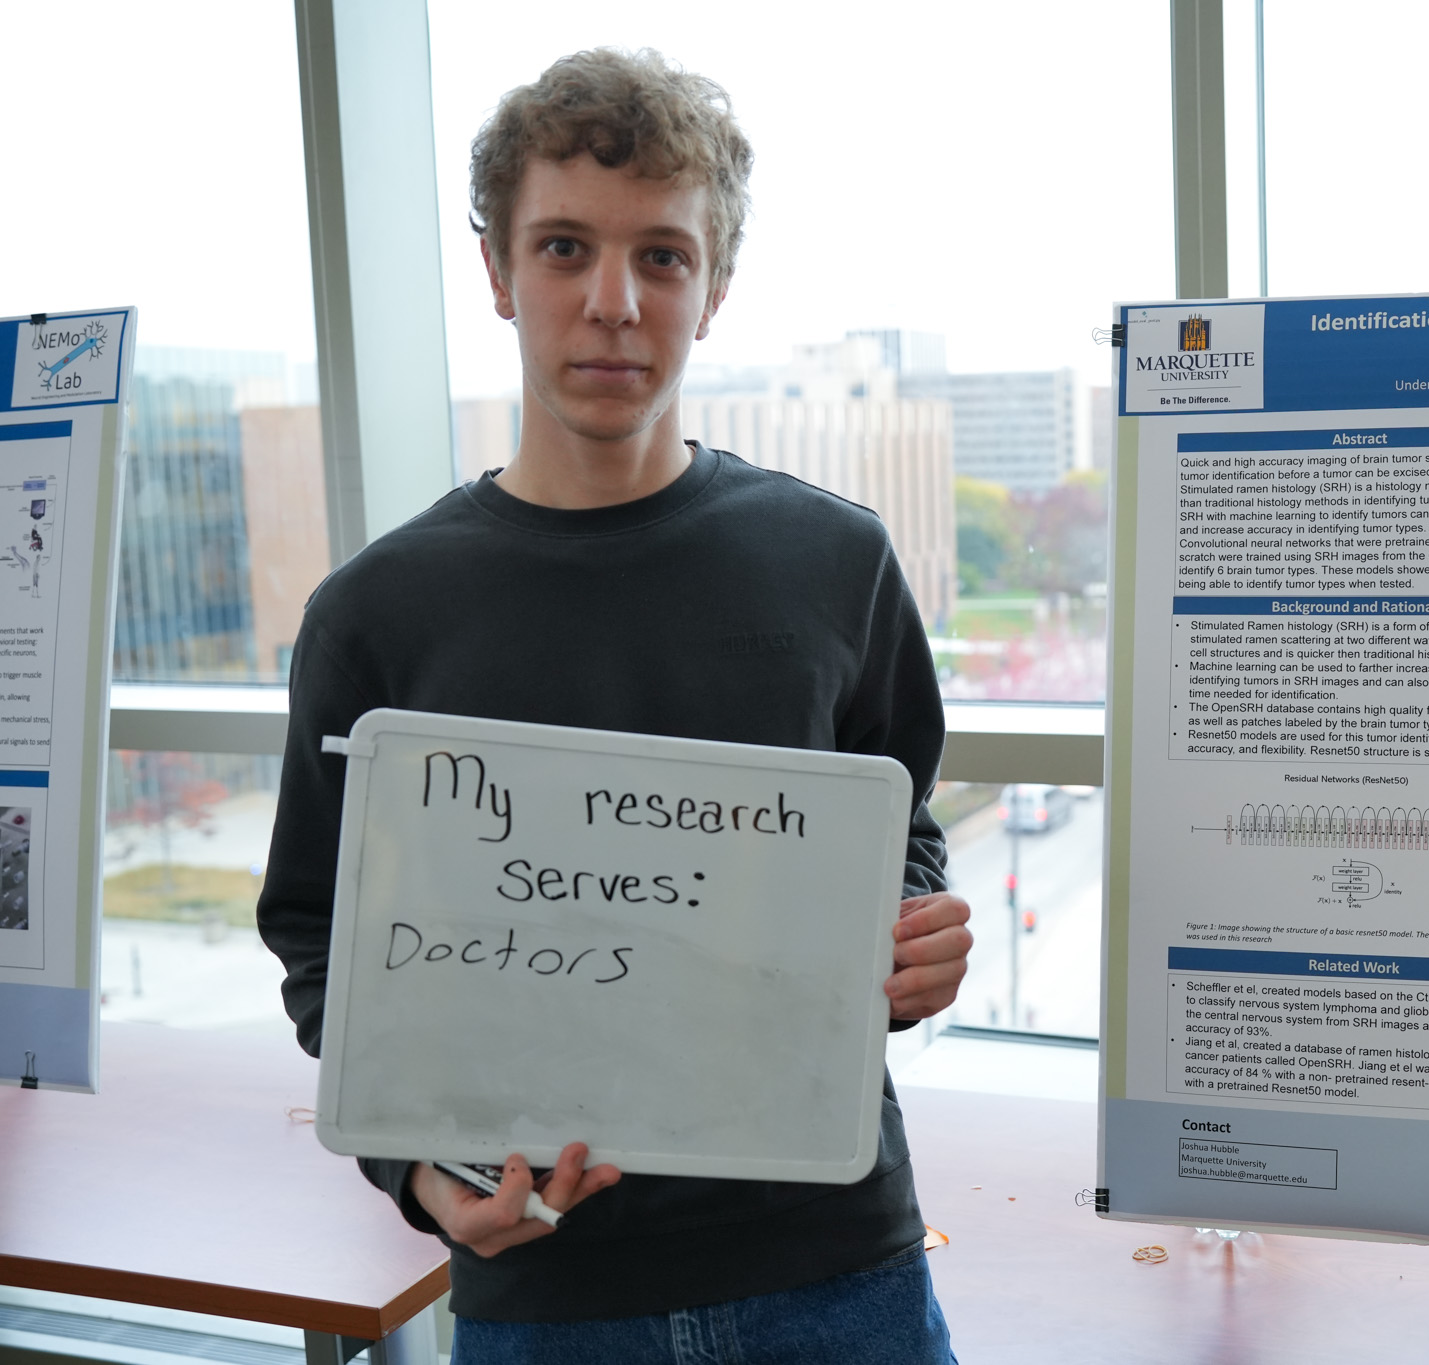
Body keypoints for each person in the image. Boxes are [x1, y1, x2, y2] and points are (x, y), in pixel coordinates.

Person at [256, 47, 971, 1364]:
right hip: (548, 1300)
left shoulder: (837, 563)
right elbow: (317, 931)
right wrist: (418, 1172)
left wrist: (916, 938)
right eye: (565, 246)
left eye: (662, 257)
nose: (612, 303)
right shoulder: (376, 615)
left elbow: (898, 821)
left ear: (714, 287)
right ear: (496, 271)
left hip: (840, 1269)